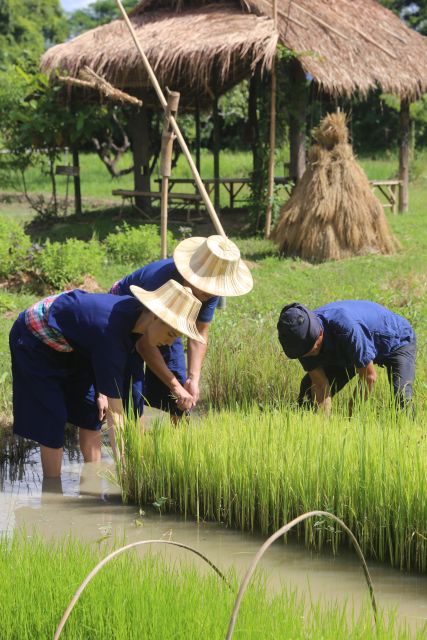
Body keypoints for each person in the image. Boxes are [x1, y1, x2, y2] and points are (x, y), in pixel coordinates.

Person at [9, 280, 204, 478]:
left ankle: (92, 482)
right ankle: (52, 489)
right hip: (36, 336)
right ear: (155, 316)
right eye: (171, 334)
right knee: (53, 417)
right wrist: (126, 472)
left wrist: (103, 391)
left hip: (77, 343)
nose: (170, 342)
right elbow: (116, 414)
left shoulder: (137, 323)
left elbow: (126, 396)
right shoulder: (111, 333)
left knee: (92, 410)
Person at [109, 235, 253, 417]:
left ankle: (178, 440)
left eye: (214, 288)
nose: (209, 293)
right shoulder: (162, 280)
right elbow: (144, 344)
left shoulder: (209, 291)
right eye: (205, 286)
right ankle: (131, 436)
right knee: (132, 390)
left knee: (180, 390)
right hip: (128, 319)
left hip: (170, 322)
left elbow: (199, 333)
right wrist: (175, 387)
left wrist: (193, 378)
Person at [277, 300, 416, 415]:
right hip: (347, 349)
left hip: (397, 340)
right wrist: (322, 426)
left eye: (313, 350)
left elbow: (369, 377)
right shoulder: (299, 343)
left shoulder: (347, 328)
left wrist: (350, 417)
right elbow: (320, 386)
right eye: (305, 354)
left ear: (320, 334)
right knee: (308, 390)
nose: (309, 356)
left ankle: (410, 433)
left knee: (402, 395)